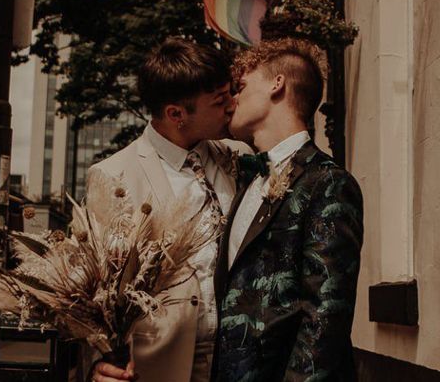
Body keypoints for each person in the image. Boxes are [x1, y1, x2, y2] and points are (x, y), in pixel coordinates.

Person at [88, 37, 244, 382]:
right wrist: (99, 361)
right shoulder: (112, 175)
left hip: (241, 359)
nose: (233, 105)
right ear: (176, 114)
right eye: (220, 101)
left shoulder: (239, 155)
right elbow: (95, 289)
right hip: (161, 363)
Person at [213, 38, 364, 382]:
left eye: (241, 86)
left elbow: (325, 316)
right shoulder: (246, 182)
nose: (232, 99)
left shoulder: (327, 182)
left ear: (276, 84)